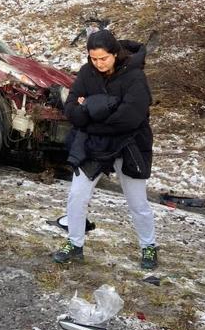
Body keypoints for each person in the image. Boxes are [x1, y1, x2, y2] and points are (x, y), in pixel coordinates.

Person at [53, 29, 158, 270]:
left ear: (115, 54)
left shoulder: (135, 77)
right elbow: (71, 109)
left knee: (137, 201)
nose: (98, 64)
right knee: (77, 195)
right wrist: (98, 110)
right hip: (95, 145)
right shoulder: (86, 73)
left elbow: (130, 118)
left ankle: (149, 245)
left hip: (130, 144)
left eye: (103, 58)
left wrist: (89, 109)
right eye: (93, 59)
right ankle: (75, 243)